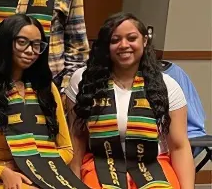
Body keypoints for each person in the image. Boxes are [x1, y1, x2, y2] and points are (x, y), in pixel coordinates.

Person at [0, 14, 87, 189]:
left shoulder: (46, 89)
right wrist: (2, 172)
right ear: (5, 43)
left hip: (40, 175)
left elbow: (66, 149)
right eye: (22, 42)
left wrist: (37, 167)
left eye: (37, 45)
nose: (31, 51)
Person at [68, 13, 194, 189]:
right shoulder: (83, 80)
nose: (124, 45)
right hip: (100, 163)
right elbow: (77, 136)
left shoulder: (167, 85)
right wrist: (73, 179)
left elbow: (179, 146)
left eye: (131, 38)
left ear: (144, 41)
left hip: (153, 163)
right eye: (115, 40)